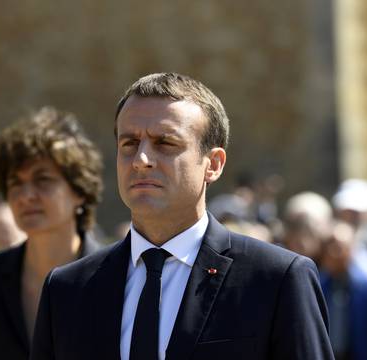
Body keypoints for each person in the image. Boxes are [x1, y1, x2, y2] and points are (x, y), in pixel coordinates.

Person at [30, 73, 333, 359]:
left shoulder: (275, 280)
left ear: (213, 164)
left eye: (165, 143)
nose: (141, 160)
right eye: (129, 144)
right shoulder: (67, 289)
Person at [0, 107, 104, 360]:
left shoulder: (116, 275)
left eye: (42, 179)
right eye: (15, 183)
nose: (26, 195)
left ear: (80, 190)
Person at [319, 221, 367, 360]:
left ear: (351, 250)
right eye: (327, 246)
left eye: (337, 247)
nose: (331, 252)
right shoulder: (318, 286)